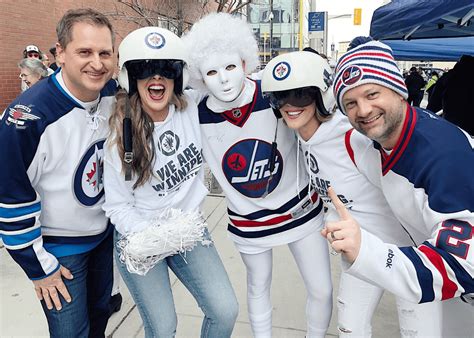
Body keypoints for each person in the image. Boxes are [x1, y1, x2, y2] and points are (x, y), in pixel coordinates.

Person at [261, 49, 447, 337]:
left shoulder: (352, 137)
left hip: (411, 251)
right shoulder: (300, 136)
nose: (288, 105)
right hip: (363, 248)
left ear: (321, 95)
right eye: (279, 97)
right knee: (350, 327)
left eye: (300, 95)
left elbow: (410, 183)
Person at [183, 13, 332, 338]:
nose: (222, 79)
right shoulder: (195, 112)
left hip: (301, 210)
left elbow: (324, 120)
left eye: (230, 67)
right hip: (248, 220)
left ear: (245, 61)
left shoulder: (275, 91)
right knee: (257, 287)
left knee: (321, 290)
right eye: (211, 71)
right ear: (199, 77)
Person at [326, 39, 474, 335]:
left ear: (399, 90)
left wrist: (365, 250)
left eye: (372, 94)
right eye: (350, 103)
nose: (364, 110)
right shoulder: (374, 140)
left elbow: (460, 268)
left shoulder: (444, 156)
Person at [102, 26, 238, 338]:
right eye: (145, 69)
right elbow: (118, 206)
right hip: (140, 237)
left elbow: (229, 80)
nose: (157, 78)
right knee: (162, 328)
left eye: (167, 69)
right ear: (131, 77)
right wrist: (151, 236)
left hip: (188, 227)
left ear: (179, 76)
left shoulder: (193, 107)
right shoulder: (121, 133)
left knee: (225, 310)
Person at [0, 8, 117, 337]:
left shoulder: (110, 93)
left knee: (99, 319)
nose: (97, 62)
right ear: (60, 53)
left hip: (102, 238)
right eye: (85, 52)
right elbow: (10, 197)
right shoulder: (28, 117)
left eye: (104, 53)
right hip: (59, 251)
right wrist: (39, 269)